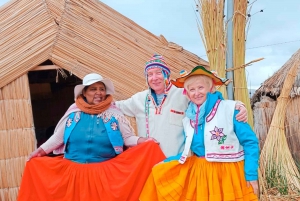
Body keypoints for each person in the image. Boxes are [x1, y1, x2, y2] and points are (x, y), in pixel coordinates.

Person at [17, 73, 165, 201]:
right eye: (93, 89)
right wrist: (40, 152)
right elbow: (58, 138)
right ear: (84, 93)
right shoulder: (73, 113)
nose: (98, 93)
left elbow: (127, 138)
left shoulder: (114, 114)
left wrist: (143, 141)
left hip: (103, 175)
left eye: (101, 89)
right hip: (72, 175)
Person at [139, 66, 259, 201]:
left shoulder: (231, 110)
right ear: (187, 93)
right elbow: (189, 151)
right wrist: (165, 163)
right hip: (201, 175)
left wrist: (251, 174)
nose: (196, 93)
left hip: (227, 174)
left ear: (211, 88)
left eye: (201, 88)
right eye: (192, 89)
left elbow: (250, 143)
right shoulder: (188, 120)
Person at [116, 54, 248, 158]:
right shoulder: (139, 99)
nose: (154, 78)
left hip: (176, 163)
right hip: (148, 162)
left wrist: (237, 105)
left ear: (166, 74)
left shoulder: (183, 93)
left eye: (158, 72)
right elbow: (114, 106)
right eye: (150, 74)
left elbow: (210, 101)